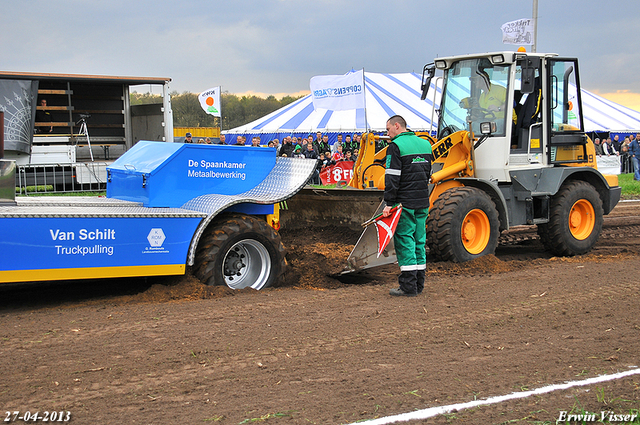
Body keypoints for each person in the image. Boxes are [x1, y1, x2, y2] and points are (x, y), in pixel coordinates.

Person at [382, 115, 432, 297]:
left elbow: (392, 178)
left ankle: (408, 287)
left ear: (397, 126)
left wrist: (389, 203)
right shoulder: (426, 145)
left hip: (405, 203)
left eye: (388, 129)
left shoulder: (395, 147)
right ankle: (419, 284)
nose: (387, 134)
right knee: (419, 240)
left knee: (405, 240)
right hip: (422, 201)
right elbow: (428, 174)